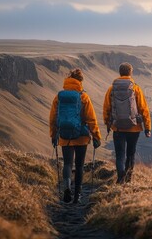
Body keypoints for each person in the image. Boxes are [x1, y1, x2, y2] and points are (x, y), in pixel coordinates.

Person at [49, 68, 101, 203]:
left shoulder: (59, 96)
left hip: (64, 136)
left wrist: (53, 134)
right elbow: (91, 119)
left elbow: (53, 117)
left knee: (67, 163)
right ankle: (77, 195)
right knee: (79, 166)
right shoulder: (84, 97)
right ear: (80, 81)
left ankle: (67, 189)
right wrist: (96, 136)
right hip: (81, 137)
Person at [103, 62, 151, 184]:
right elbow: (143, 109)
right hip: (134, 128)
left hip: (118, 128)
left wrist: (108, 124)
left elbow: (106, 108)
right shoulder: (136, 88)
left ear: (120, 72)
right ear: (130, 72)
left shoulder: (111, 88)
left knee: (119, 155)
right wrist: (147, 128)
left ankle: (120, 178)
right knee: (130, 154)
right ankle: (128, 179)